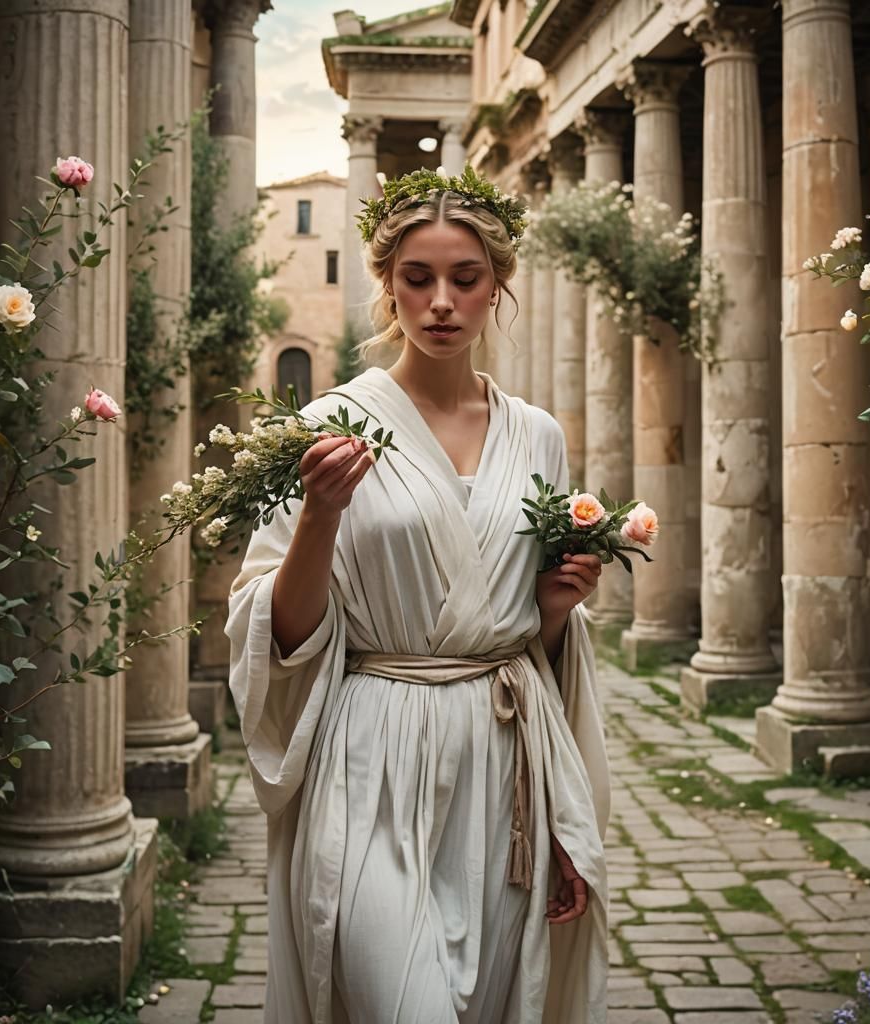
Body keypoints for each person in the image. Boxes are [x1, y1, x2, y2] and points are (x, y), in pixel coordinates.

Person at [226, 166, 610, 1024]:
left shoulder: (536, 436)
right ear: (385, 285)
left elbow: (530, 638)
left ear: (497, 287)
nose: (441, 301)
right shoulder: (331, 424)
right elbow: (279, 634)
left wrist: (554, 607)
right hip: (373, 751)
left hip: (502, 756)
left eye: (465, 280)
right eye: (417, 278)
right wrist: (320, 513)